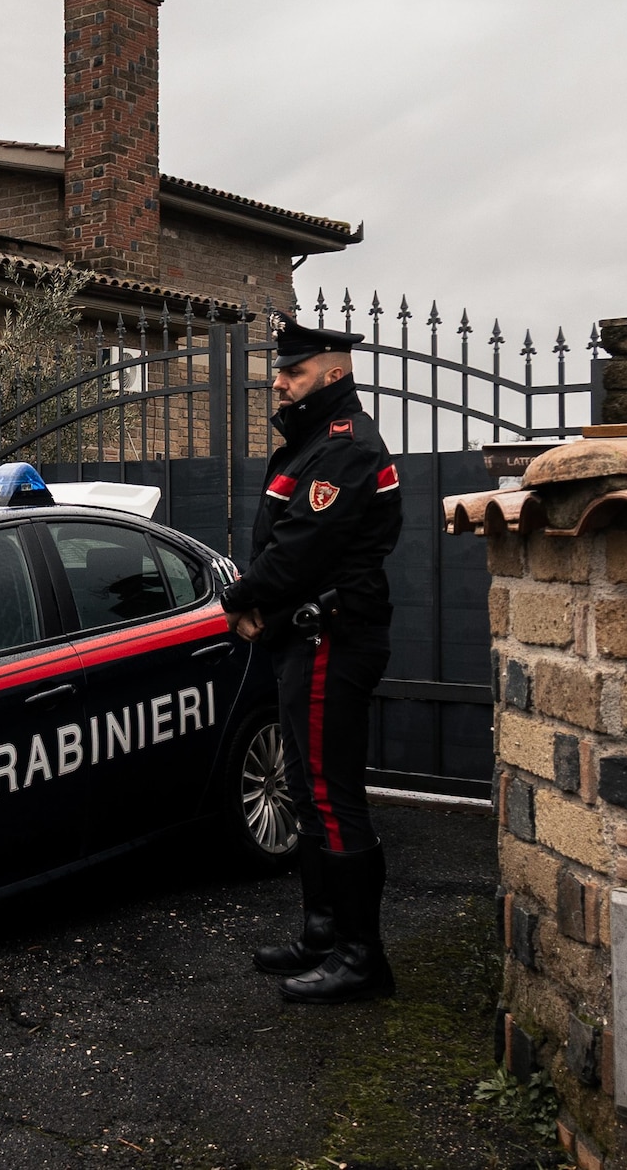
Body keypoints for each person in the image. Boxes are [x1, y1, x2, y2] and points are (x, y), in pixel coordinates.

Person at [221, 314, 403, 1004]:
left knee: (331, 794)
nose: (280, 382)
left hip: (333, 636)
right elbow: (286, 544)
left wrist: (240, 597)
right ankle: (324, 935)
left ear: (332, 372)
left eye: (292, 372)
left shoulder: (344, 446)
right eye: (281, 371)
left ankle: (361, 958)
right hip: (303, 634)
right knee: (306, 788)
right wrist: (258, 603)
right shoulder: (312, 443)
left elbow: (302, 548)